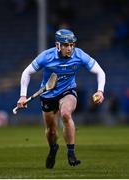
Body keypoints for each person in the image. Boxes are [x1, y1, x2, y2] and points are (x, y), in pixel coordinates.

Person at [17, 29, 106, 169]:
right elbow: (26, 72)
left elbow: (100, 71)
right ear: (58, 45)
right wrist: (23, 95)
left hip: (68, 91)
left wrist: (100, 91)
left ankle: (71, 152)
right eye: (66, 45)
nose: (69, 48)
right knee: (51, 131)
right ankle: (53, 148)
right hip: (47, 94)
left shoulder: (79, 55)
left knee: (65, 113)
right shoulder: (46, 56)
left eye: (71, 44)